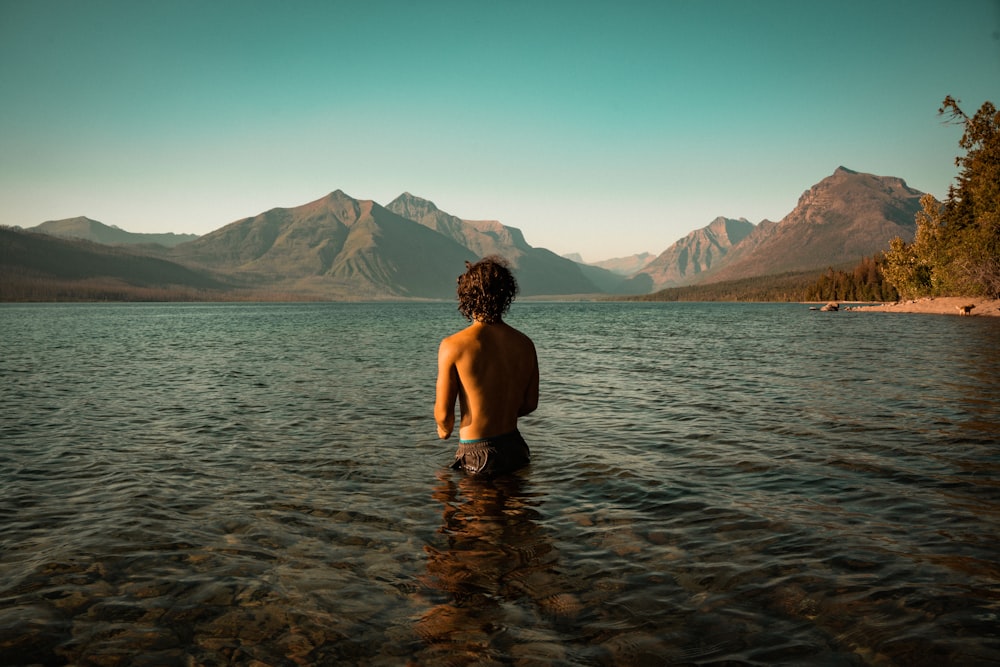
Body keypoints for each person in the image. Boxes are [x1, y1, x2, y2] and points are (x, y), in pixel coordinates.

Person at [435, 256, 539, 477]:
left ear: (466, 296)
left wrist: (443, 430)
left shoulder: (453, 346)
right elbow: (530, 404)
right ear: (506, 295)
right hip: (516, 448)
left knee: (472, 510)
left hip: (477, 453)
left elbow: (444, 417)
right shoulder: (525, 343)